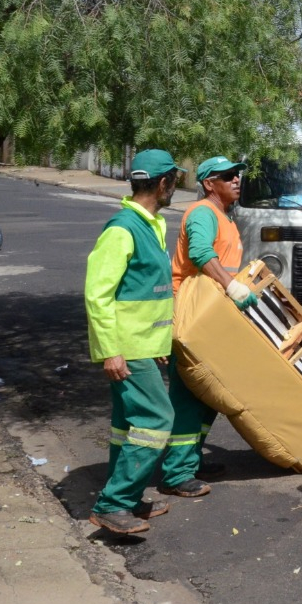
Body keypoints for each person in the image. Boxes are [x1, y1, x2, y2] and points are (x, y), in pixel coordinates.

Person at [84, 149, 184, 535]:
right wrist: (111, 350)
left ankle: (127, 496)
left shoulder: (150, 223)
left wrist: (159, 342)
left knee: (126, 427)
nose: (173, 187)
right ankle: (112, 504)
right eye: (174, 181)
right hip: (126, 349)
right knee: (158, 419)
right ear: (163, 184)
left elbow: (146, 293)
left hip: (142, 346)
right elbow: (98, 294)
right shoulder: (122, 229)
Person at [160, 155, 254, 499]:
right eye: (227, 176)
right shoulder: (203, 213)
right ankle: (175, 474)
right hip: (191, 316)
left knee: (209, 396)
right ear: (208, 184)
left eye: (237, 174)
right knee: (188, 398)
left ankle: (191, 460)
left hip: (209, 317)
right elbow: (200, 253)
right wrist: (231, 286)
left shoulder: (224, 217)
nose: (236, 180)